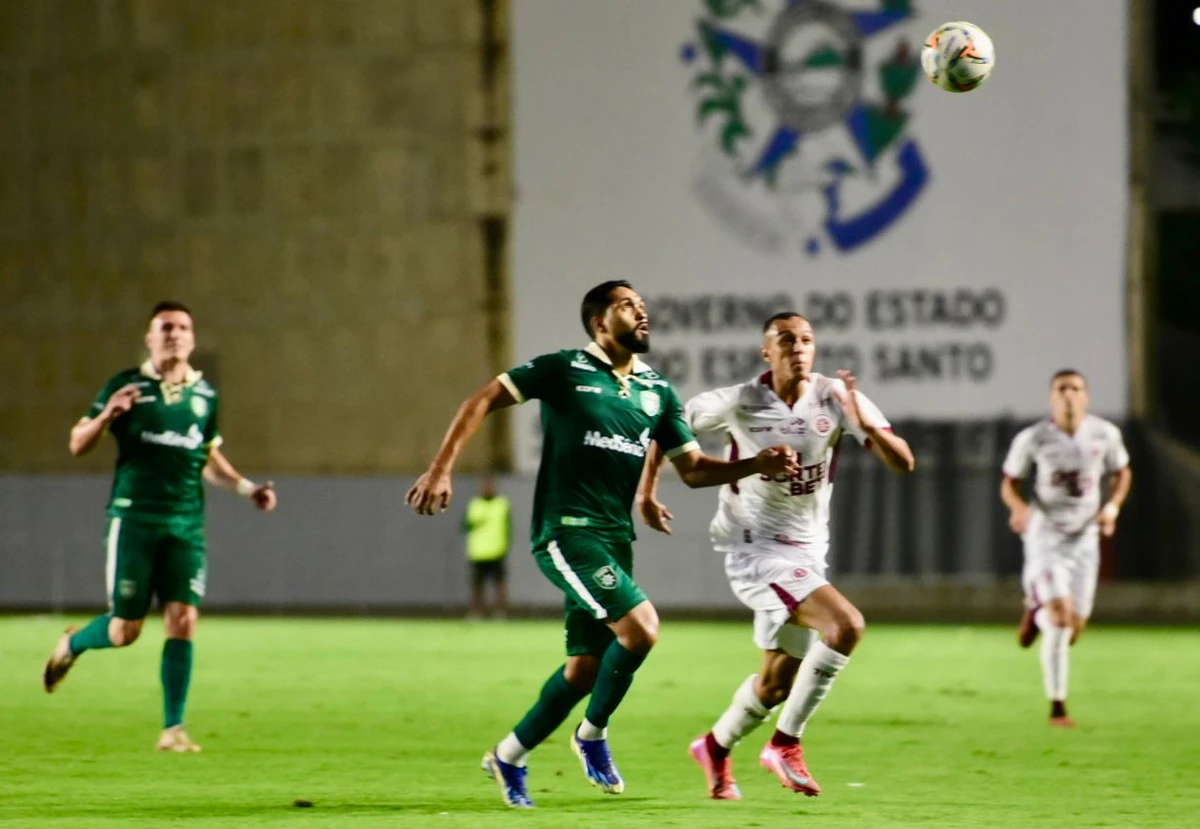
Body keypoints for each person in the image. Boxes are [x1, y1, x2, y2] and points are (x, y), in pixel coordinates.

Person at [405, 281, 799, 809]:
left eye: (642, 305)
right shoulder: (564, 369)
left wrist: (755, 464)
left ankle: (509, 754)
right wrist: (441, 467)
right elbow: (481, 400)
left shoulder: (657, 391)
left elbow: (695, 469)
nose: (642, 312)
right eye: (627, 305)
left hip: (615, 538)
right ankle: (591, 734)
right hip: (566, 531)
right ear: (598, 323)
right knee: (641, 629)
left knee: (584, 669)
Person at [638, 312, 915, 800]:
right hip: (755, 550)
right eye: (786, 340)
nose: (798, 348)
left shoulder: (834, 397)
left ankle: (714, 747)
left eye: (807, 340)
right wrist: (646, 491)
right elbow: (666, 424)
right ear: (766, 352)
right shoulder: (739, 402)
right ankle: (785, 744)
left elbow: (903, 462)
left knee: (775, 685)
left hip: (808, 551)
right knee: (846, 625)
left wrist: (867, 422)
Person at [42, 301, 277, 752]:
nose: (174, 334)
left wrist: (248, 489)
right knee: (123, 631)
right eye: (165, 327)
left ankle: (173, 729)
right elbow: (77, 444)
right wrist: (108, 414)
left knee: (183, 618)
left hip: (186, 524)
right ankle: (72, 644)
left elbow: (208, 458)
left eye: (183, 327)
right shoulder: (126, 386)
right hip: (134, 519)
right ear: (149, 338)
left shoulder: (205, 397)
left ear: (192, 339)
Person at [1000, 369, 1131, 728]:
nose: (1069, 395)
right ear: (1052, 397)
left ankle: (1036, 610)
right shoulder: (1035, 438)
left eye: (1076, 388)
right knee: (1061, 619)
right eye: (1062, 389)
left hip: (1085, 538)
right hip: (1045, 537)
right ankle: (1057, 707)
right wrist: (1019, 508)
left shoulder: (1105, 434)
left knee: (1073, 627)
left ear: (1086, 396)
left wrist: (1112, 507)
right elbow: (1009, 482)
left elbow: (1123, 472)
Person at [463, 475, 512, 620]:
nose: (487, 488)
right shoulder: (474, 504)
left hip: (497, 551)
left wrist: (506, 545)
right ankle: (476, 613)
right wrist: (475, 523)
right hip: (478, 552)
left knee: (499, 585)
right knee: (477, 586)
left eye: (489, 486)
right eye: (484, 486)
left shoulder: (502, 504)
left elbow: (509, 528)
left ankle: (500, 613)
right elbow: (464, 526)